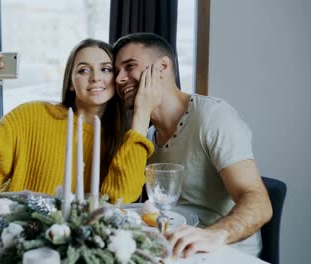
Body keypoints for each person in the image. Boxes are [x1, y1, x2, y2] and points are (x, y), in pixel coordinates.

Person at [113, 33, 273, 257]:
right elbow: (125, 198)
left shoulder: (213, 116)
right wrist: (141, 114)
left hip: (224, 251)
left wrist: (214, 235)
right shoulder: (146, 137)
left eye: (130, 66)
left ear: (163, 66)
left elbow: (259, 203)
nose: (119, 79)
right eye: (116, 71)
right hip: (173, 249)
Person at [0, 39, 161, 204]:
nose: (96, 77)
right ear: (70, 83)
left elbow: (118, 202)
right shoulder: (31, 116)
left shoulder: (125, 140)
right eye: (83, 70)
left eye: (105, 69)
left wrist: (141, 116)